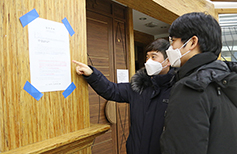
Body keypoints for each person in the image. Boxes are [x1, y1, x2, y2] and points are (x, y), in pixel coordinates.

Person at [73, 39, 175, 154]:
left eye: (154, 57)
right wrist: (91, 74)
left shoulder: (177, 90)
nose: (148, 61)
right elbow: (111, 90)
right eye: (147, 57)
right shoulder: (138, 87)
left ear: (168, 61)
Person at [160, 12, 237, 154]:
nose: (170, 49)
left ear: (192, 42)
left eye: (173, 41)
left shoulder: (191, 87)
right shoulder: (227, 79)